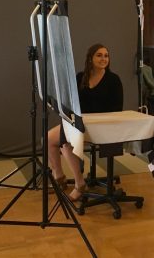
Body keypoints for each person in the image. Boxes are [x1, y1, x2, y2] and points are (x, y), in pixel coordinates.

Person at [48, 43, 123, 201]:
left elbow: (117, 109)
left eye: (106, 56)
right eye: (99, 55)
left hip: (103, 125)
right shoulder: (80, 77)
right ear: (90, 58)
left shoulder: (113, 80)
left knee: (65, 141)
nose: (103, 59)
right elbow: (72, 103)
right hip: (81, 123)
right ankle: (59, 177)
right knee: (48, 138)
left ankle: (79, 184)